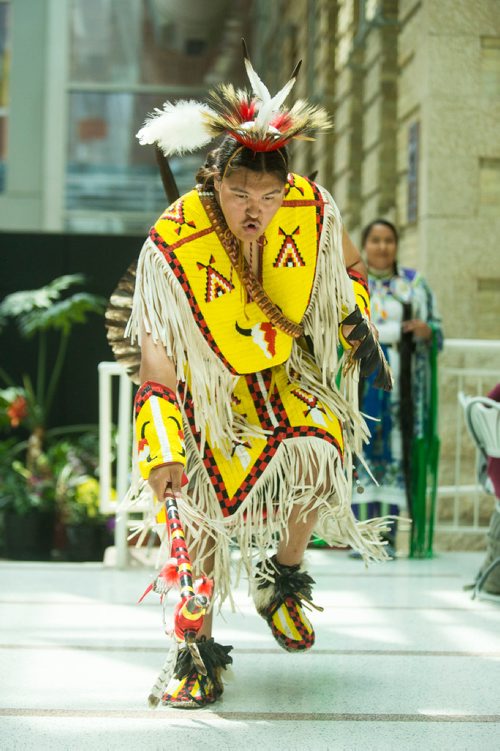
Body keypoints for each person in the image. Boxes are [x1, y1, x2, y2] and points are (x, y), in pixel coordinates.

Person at [111, 51, 392, 709]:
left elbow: (351, 270)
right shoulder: (176, 240)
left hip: (281, 376)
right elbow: (156, 372)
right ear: (215, 179)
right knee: (199, 513)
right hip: (204, 389)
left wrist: (354, 316)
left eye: (268, 196)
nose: (255, 209)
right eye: (240, 194)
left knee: (323, 453)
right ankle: (194, 651)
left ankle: (280, 578)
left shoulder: (310, 208)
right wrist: (164, 454)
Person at [351, 219, 443, 558]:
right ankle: (360, 535)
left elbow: (437, 329)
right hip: (360, 389)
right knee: (360, 451)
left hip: (404, 394)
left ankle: (388, 538)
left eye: (388, 240)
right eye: (375, 240)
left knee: (398, 451)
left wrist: (426, 331)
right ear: (365, 244)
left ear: (396, 245)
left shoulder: (415, 285)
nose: (382, 246)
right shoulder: (351, 283)